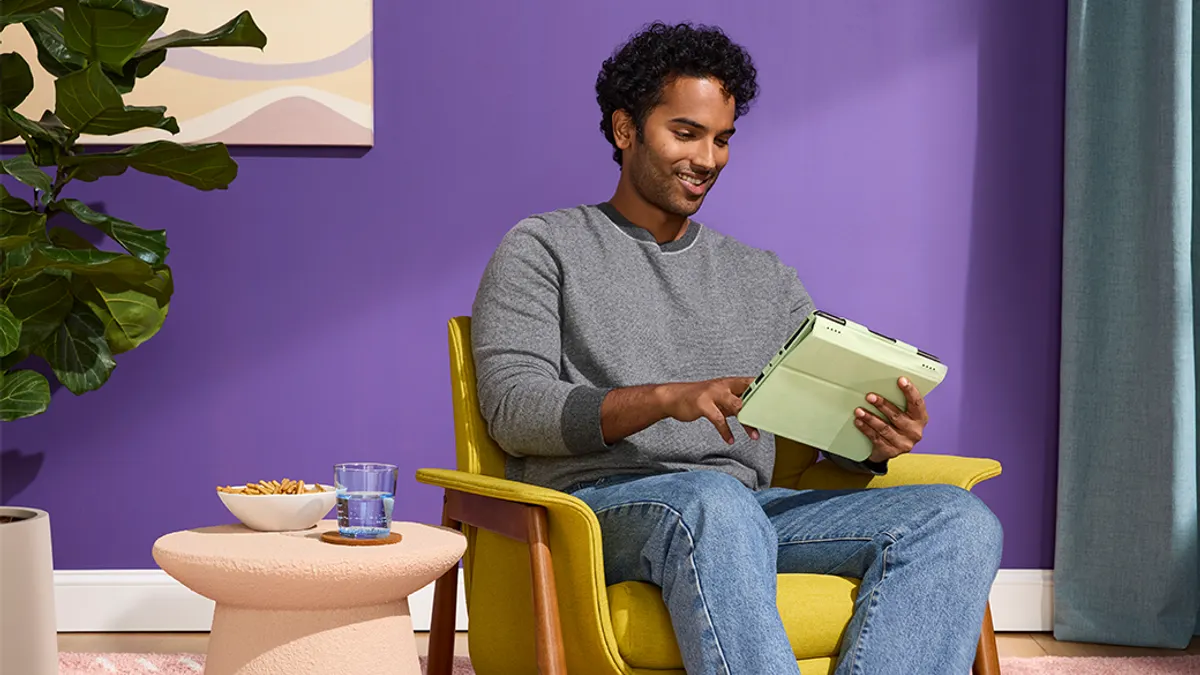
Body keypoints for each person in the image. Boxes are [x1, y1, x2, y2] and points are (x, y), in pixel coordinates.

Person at [470, 20, 1003, 675]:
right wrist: (668, 397)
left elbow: (810, 413)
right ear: (625, 129)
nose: (708, 158)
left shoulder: (765, 276)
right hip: (601, 510)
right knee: (711, 502)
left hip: (747, 511)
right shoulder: (544, 247)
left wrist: (870, 436)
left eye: (722, 139)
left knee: (958, 518)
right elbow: (515, 409)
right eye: (686, 133)